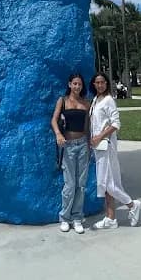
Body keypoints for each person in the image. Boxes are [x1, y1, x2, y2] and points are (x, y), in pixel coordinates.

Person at [89, 72, 140, 229]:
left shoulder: (109, 100)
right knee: (104, 183)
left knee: (109, 182)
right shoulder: (96, 100)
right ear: (93, 84)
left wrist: (99, 136)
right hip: (98, 147)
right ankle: (110, 218)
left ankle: (132, 204)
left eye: (102, 82)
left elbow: (115, 123)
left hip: (106, 145)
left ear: (107, 84)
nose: (100, 85)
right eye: (97, 82)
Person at [51, 71, 90, 234]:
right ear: (69, 85)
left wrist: (90, 143)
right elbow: (53, 120)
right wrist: (59, 134)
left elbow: (87, 126)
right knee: (69, 184)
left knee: (81, 185)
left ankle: (77, 217)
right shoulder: (63, 100)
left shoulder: (86, 103)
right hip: (68, 145)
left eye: (79, 84)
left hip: (83, 145)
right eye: (74, 83)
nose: (77, 86)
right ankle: (65, 218)